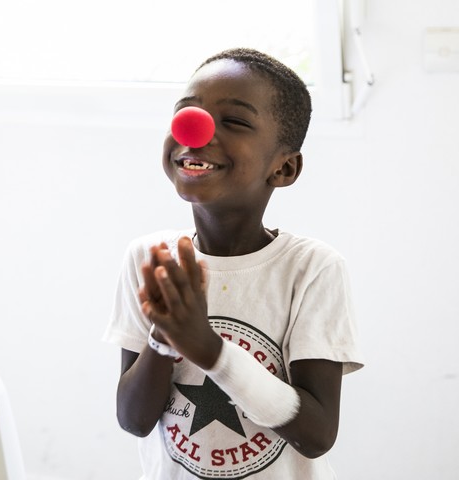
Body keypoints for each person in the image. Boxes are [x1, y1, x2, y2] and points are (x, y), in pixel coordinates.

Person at [103, 48, 364, 479]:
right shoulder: (149, 259)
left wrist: (209, 351)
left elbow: (316, 435)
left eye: (235, 121)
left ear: (283, 168)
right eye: (187, 114)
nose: (196, 130)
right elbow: (134, 420)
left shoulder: (312, 268)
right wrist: (164, 339)